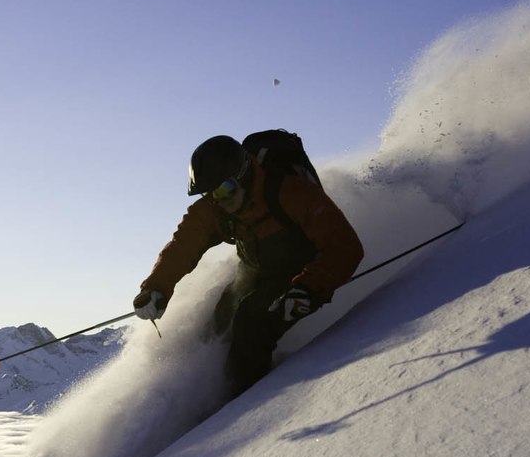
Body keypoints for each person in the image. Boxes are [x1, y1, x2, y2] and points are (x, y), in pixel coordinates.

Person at [133, 135, 364, 397]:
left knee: (251, 322)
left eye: (224, 189)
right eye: (210, 193)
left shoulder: (290, 193)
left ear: (244, 175)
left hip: (302, 274)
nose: (219, 199)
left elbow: (346, 247)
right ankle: (200, 395)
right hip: (255, 270)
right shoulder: (215, 207)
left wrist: (309, 289)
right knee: (218, 320)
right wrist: (156, 287)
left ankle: (243, 402)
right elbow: (182, 247)